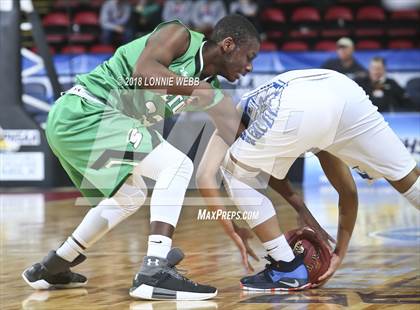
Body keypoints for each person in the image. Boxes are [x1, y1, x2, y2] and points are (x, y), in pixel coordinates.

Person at [22, 15, 260, 301]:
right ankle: (154, 272)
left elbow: (239, 137)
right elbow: (143, 72)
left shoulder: (210, 88)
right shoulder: (179, 35)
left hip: (82, 122)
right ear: (227, 45)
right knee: (177, 165)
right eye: (249, 56)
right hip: (86, 109)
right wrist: (198, 90)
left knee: (130, 196)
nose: (249, 67)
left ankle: (55, 265)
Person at [196, 69, 419, 291]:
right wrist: (338, 254)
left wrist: (233, 229)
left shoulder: (240, 116)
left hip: (299, 99)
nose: (248, 67)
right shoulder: (252, 113)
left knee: (235, 170)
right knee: (406, 178)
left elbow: (227, 172)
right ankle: (288, 267)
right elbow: (347, 192)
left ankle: (287, 267)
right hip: (344, 89)